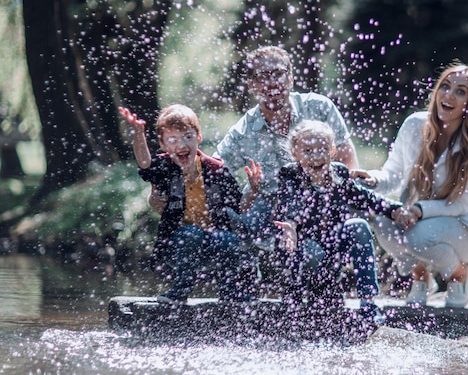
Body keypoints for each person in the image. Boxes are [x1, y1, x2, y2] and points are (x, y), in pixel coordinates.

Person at [148, 45, 359, 248]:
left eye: (278, 73)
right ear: (251, 85)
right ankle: (249, 266)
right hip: (268, 211)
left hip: (320, 199)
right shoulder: (242, 132)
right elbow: (209, 173)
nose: (271, 82)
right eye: (261, 76)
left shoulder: (319, 108)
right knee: (229, 215)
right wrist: (164, 186)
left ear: (291, 78)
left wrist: (324, 202)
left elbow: (347, 162)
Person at [352, 62, 468, 308]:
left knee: (418, 237)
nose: (449, 95)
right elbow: (393, 174)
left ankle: (459, 275)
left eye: (460, 91)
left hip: (463, 228)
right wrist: (374, 179)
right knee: (384, 223)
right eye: (445, 87)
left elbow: (462, 204)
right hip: (417, 216)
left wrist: (419, 210)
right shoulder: (414, 125)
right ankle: (421, 278)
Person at [272, 120, 414, 324]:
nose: (316, 155)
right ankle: (298, 304)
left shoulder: (338, 173)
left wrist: (394, 209)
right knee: (312, 251)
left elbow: (363, 197)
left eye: (322, 149)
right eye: (308, 150)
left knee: (358, 226)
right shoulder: (291, 175)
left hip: (332, 249)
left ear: (332, 150)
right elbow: (289, 202)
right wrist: (291, 226)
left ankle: (367, 302)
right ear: (295, 153)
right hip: (302, 249)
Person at [118, 104, 248, 304]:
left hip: (211, 246)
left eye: (187, 136)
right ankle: (180, 289)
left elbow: (240, 206)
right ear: (163, 145)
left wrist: (254, 189)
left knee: (227, 238)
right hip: (175, 246)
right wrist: (138, 133)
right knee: (191, 233)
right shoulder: (165, 167)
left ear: (198, 138)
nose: (181, 145)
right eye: (173, 139)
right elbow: (145, 164)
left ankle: (230, 290)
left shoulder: (215, 170)